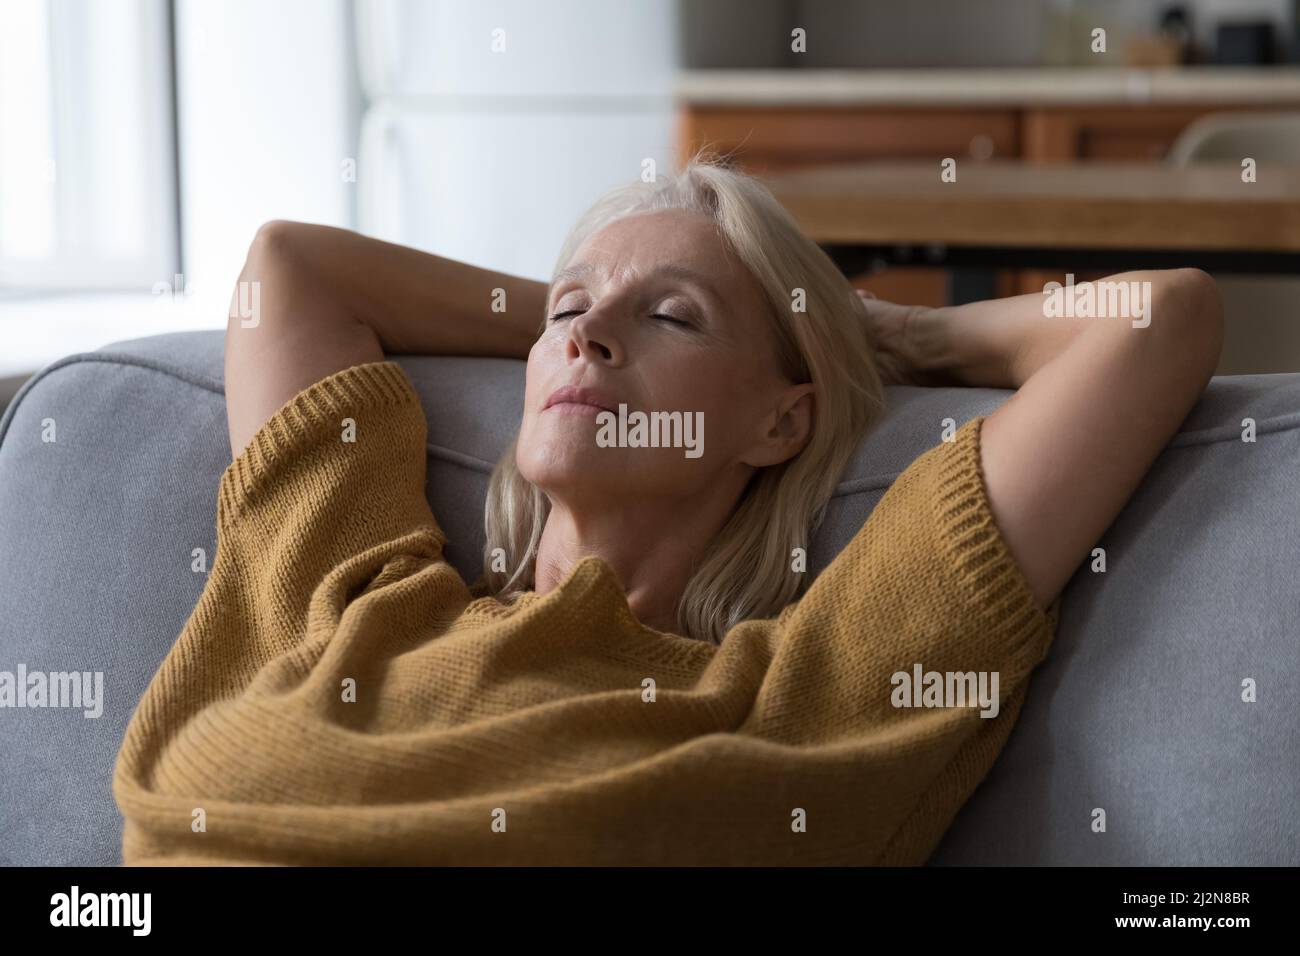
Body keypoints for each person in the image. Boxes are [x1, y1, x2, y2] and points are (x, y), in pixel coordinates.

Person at [112, 156, 1223, 865]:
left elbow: (1159, 318)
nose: (591, 334)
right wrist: (576, 328)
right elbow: (292, 268)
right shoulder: (360, 595)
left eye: (674, 318)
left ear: (780, 423)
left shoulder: (805, 692)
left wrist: (887, 336)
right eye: (573, 309)